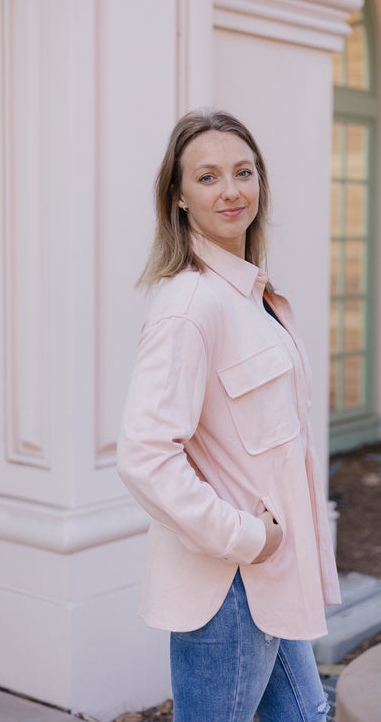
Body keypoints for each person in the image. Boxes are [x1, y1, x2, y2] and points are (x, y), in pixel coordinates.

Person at [117, 109, 341, 722]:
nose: (231, 190)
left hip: (273, 575)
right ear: (179, 197)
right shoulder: (190, 305)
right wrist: (249, 538)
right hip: (231, 586)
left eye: (243, 172)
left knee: (307, 715)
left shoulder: (251, 297)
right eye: (208, 177)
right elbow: (145, 456)